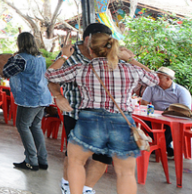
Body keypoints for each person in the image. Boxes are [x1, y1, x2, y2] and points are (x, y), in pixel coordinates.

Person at [46, 33, 158, 194]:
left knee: (76, 163)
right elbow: (154, 79)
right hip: (121, 122)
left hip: (89, 121)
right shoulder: (131, 70)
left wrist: (64, 55)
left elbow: (50, 74)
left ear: (91, 50)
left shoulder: (81, 69)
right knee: (125, 173)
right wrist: (130, 59)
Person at [47, 23, 114, 194]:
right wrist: (58, 96)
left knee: (103, 156)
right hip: (76, 111)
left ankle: (86, 189)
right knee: (76, 155)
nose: (105, 45)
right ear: (87, 39)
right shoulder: (70, 54)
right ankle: (67, 186)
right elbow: (51, 78)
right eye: (101, 41)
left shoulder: (110, 53)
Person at [2, 32, 52, 172]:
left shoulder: (20, 59)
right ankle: (42, 160)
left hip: (29, 98)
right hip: (43, 96)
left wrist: (11, 58)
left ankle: (31, 160)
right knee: (35, 126)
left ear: (20, 43)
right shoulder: (40, 57)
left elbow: (6, 72)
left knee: (22, 126)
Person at [140, 67, 191, 158]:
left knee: (172, 126)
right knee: (144, 121)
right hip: (156, 117)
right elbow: (144, 103)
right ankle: (164, 147)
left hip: (174, 117)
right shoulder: (151, 88)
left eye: (158, 77)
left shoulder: (181, 91)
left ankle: (160, 147)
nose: (155, 79)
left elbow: (185, 110)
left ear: (168, 78)